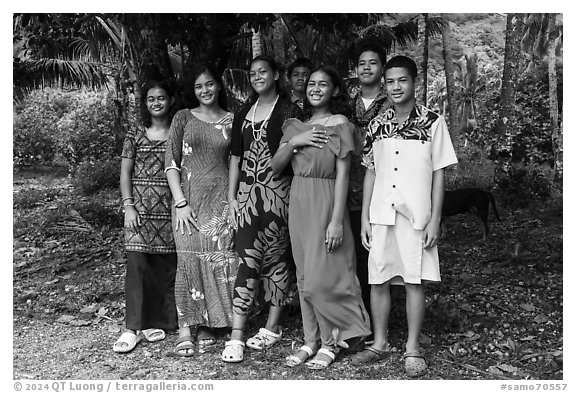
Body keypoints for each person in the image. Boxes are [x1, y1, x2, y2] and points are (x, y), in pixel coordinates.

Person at [350, 55, 458, 377]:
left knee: (414, 278)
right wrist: (365, 219)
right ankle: (379, 343)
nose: (396, 87)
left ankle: (412, 348)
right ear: (385, 84)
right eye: (391, 81)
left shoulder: (433, 122)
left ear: (414, 82)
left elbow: (439, 173)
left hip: (416, 216)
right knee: (378, 278)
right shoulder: (377, 124)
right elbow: (370, 171)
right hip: (382, 212)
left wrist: (436, 218)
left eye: (403, 80)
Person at [271, 65, 371, 370]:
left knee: (323, 276)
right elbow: (276, 166)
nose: (315, 88)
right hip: (298, 202)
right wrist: (295, 143)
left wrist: (336, 221)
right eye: (311, 83)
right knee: (303, 277)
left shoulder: (341, 125)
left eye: (323, 84)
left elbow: (343, 175)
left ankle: (333, 341)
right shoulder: (295, 127)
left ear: (334, 90)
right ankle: (310, 340)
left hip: (327, 201)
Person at [222, 55, 302, 363]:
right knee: (246, 259)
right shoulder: (244, 110)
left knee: (278, 259)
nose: (258, 77)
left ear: (275, 75)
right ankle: (237, 336)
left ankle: (272, 325)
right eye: (253, 73)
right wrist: (232, 198)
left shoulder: (289, 110)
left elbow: (295, 155)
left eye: (263, 72)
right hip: (245, 197)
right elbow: (235, 157)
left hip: (279, 195)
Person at [164, 64, 237, 357]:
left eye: (209, 84)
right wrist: (180, 202)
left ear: (218, 86)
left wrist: (233, 201)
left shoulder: (233, 120)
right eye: (198, 86)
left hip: (220, 201)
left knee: (218, 259)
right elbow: (171, 162)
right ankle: (185, 328)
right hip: (188, 202)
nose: (204, 90)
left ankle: (211, 324)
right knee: (188, 259)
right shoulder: (183, 117)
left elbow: (236, 162)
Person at [114, 79, 178, 353]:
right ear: (145, 104)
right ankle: (131, 328)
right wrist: (128, 206)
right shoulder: (135, 135)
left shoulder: (178, 133)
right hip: (138, 213)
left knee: (163, 268)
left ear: (170, 101)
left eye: (161, 98)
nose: (156, 103)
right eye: (151, 99)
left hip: (169, 211)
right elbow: (125, 173)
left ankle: (155, 322)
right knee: (138, 267)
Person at [348, 42, 391, 340]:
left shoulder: (393, 103)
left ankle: (382, 324)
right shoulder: (345, 105)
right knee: (352, 256)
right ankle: (355, 320)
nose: (366, 67)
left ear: (382, 69)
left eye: (372, 62)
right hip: (347, 187)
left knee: (378, 257)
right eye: (361, 63)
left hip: (383, 188)